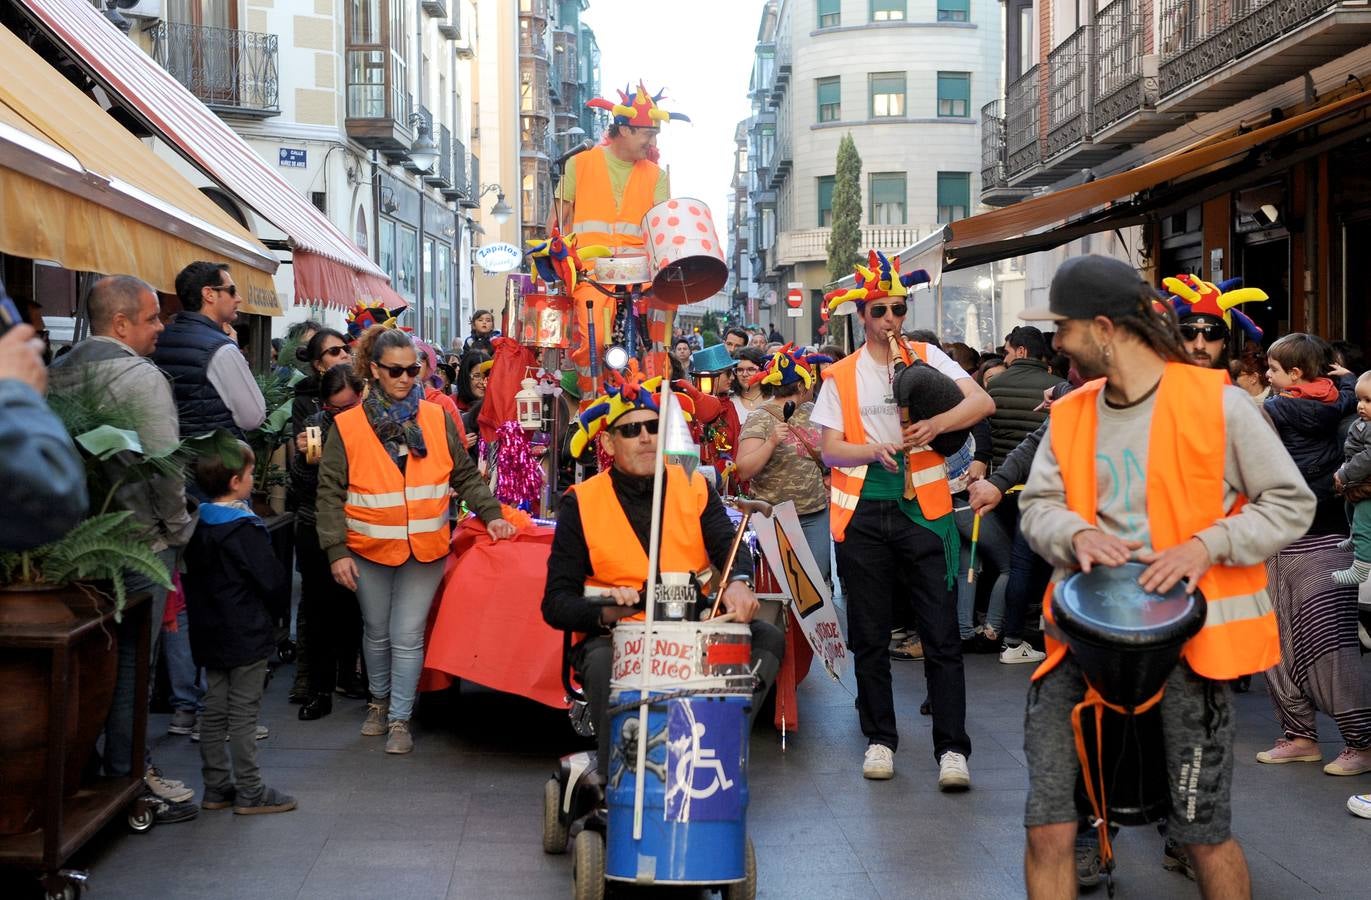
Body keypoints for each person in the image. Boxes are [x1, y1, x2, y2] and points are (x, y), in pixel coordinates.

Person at [1015, 255, 1315, 899]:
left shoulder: (1222, 405)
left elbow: (1291, 503)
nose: (1057, 343)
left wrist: (1207, 546)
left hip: (1191, 653)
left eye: (1064, 328)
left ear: (1103, 328)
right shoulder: (1070, 413)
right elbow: (1037, 505)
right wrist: (1074, 533)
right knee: (1048, 828)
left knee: (1203, 834)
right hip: (1080, 646)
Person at [542, 369, 784, 782]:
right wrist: (604, 612)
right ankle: (618, 777)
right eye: (631, 430)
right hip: (618, 638)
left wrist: (740, 581)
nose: (645, 438)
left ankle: (716, 747)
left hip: (692, 633)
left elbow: (730, 547)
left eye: (653, 427)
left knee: (767, 638)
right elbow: (556, 603)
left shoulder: (693, 486)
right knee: (600, 664)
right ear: (608, 442)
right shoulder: (580, 503)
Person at [813, 250, 992, 784]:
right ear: (860, 317)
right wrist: (870, 451)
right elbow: (828, 450)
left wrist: (936, 425)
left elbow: (981, 403)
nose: (889, 320)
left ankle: (952, 749)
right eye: (878, 311)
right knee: (869, 634)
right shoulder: (839, 375)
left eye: (897, 308)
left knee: (940, 633)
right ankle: (879, 739)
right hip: (864, 512)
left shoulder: (928, 360)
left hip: (926, 513)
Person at [316, 327, 515, 754]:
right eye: (396, 371)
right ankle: (378, 702)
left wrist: (493, 514)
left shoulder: (436, 418)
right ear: (374, 370)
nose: (407, 378)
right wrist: (336, 551)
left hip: (424, 547)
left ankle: (399, 719)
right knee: (376, 632)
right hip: (368, 548)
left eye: (414, 369)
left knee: (406, 635)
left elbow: (462, 473)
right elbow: (329, 491)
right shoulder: (347, 425)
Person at [47, 275, 198, 818]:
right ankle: (130, 774)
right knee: (135, 661)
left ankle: (83, 769)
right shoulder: (141, 378)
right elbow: (166, 467)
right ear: (120, 324)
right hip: (140, 544)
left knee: (87, 661)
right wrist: (178, 529)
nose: (161, 328)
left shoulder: (54, 373)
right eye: (153, 318)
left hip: (72, 549)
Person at [1256, 332, 1370, 776]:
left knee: (1317, 646)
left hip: (1309, 538)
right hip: (1307, 535)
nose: (1268, 376)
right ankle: (1304, 736)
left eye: (1274, 368)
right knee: (1297, 645)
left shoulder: (1273, 409)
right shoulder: (1346, 406)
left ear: (1296, 373)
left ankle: (1351, 741)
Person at [183, 443, 295, 815]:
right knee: (244, 712)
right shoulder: (243, 529)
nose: (252, 480)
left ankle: (216, 786)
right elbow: (272, 580)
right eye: (249, 475)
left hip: (208, 630)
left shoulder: (197, 525)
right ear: (236, 481)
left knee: (214, 708)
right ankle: (251, 789)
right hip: (245, 630)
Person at [554, 83, 685, 388]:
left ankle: (651, 397)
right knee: (594, 339)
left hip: (643, 275)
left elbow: (663, 230)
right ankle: (592, 399)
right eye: (648, 133)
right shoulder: (579, 163)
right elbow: (559, 220)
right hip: (592, 273)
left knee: (658, 338)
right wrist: (558, 257)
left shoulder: (656, 175)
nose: (651, 141)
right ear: (624, 129)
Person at [288, 362, 368, 721]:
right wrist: (303, 459)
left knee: (358, 610)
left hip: (361, 527)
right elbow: (303, 488)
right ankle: (320, 689)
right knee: (320, 610)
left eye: (347, 408)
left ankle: (351, 678)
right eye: (332, 409)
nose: (339, 415)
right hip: (317, 526)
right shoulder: (316, 428)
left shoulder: (374, 427)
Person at [733, 346, 833, 584]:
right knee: (784, 588)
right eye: (810, 379)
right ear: (800, 385)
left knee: (817, 587)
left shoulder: (815, 411)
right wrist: (771, 442)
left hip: (815, 515)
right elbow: (744, 469)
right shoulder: (760, 417)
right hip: (774, 517)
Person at [151, 262, 265, 438]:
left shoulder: (157, 339)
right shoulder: (222, 349)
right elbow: (253, 418)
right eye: (232, 291)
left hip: (170, 455)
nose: (238, 298)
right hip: (215, 458)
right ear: (209, 294)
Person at [986, 325, 1064, 466]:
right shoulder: (1059, 387)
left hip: (1001, 473)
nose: (1004, 359)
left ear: (1021, 351)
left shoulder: (994, 384)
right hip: (1041, 473)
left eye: (1007, 353)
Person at [731, 347, 767, 421]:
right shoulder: (730, 401)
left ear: (763, 370)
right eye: (740, 370)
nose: (744, 374)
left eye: (751, 369)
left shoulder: (775, 399)